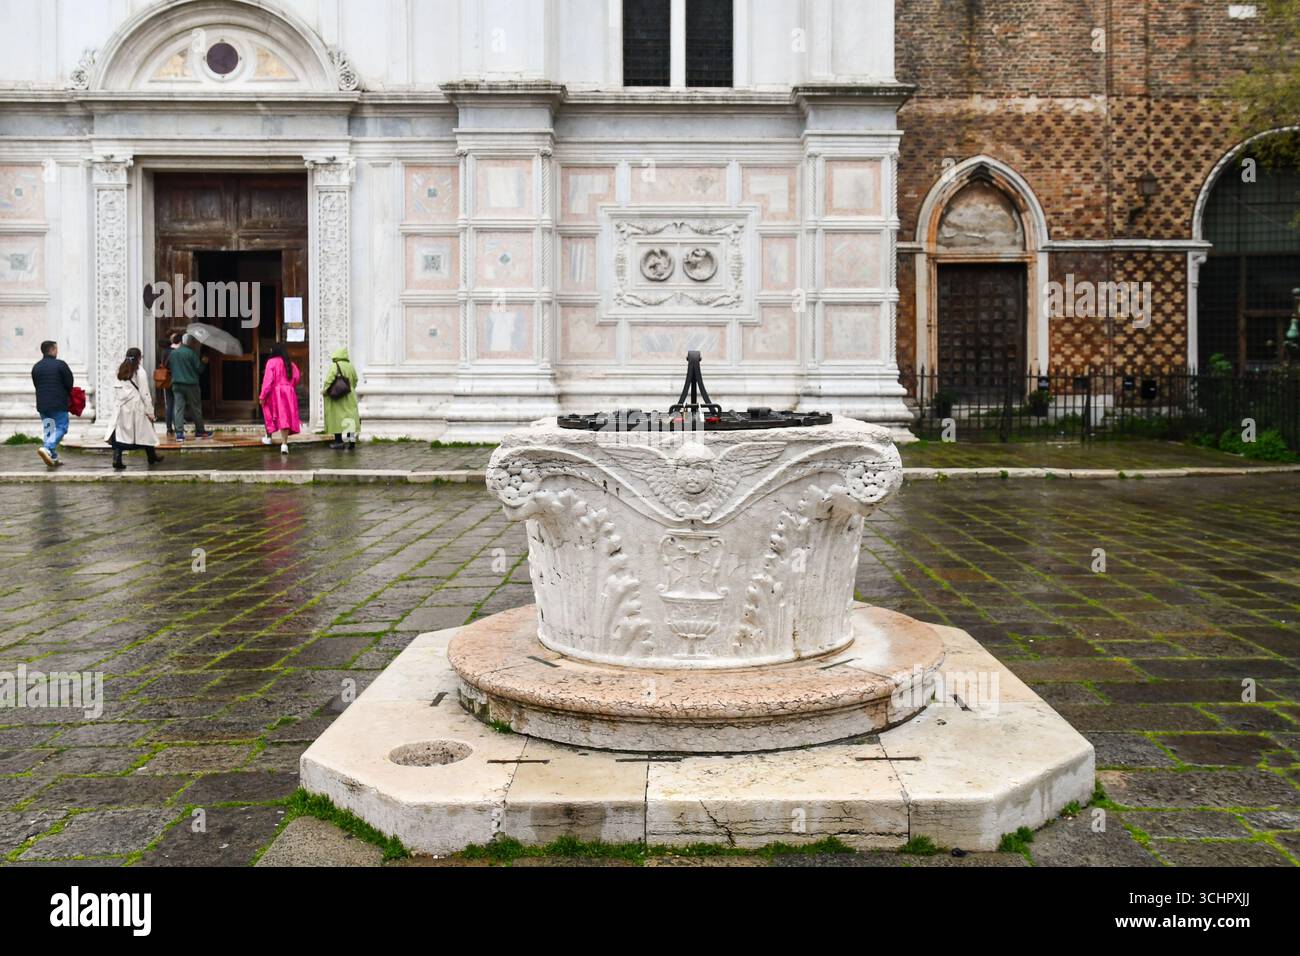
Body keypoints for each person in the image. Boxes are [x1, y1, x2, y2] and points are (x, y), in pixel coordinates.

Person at [102, 348, 162, 470]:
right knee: (145, 432)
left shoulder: (121, 369)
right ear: (139, 358)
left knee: (121, 434)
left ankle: (117, 458)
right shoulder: (140, 371)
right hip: (136, 406)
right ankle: (151, 456)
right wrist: (150, 411)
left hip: (121, 406)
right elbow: (145, 393)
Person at [31, 340, 73, 468]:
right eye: (56, 349)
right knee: (61, 427)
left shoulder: (36, 366)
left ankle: (53, 457)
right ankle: (47, 448)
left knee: (49, 430)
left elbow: (36, 384)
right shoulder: (60, 365)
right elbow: (69, 383)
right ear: (53, 350)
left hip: (43, 404)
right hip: (58, 402)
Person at [169, 334, 213, 443]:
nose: (194, 343)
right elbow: (199, 369)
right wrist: (204, 362)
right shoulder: (191, 353)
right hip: (191, 384)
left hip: (176, 384)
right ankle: (200, 431)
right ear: (190, 342)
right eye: (193, 341)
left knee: (178, 408)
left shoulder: (173, 353)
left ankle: (179, 433)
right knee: (195, 408)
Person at [259, 342, 301, 454]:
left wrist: (262, 395)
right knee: (285, 418)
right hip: (289, 392)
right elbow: (296, 377)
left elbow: (267, 381)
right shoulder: (290, 363)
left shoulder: (271, 362)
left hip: (276, 393)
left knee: (268, 411)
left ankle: (268, 437)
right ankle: (284, 444)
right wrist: (289, 387)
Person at [322, 346, 360, 450]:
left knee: (336, 419)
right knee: (350, 419)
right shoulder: (350, 366)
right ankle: (351, 442)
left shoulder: (335, 365)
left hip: (338, 395)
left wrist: (324, 390)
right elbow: (356, 380)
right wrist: (351, 388)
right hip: (350, 394)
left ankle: (338, 442)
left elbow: (329, 379)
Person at [161, 332, 183, 438]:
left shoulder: (165, 351)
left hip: (168, 380)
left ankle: (169, 429)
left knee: (169, 405)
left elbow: (162, 364)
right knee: (178, 405)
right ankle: (178, 427)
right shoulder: (181, 351)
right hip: (178, 380)